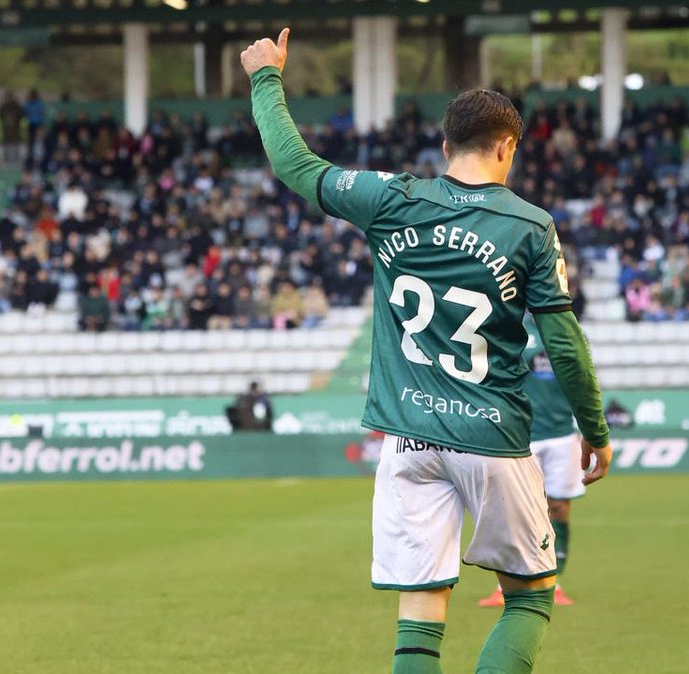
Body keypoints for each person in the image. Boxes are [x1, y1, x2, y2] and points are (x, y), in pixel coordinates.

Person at [243, 29, 611, 674]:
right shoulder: (529, 224)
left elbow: (295, 167)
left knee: (420, 606)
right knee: (530, 596)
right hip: (492, 437)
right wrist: (595, 429)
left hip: (407, 440)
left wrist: (267, 78)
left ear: (445, 148)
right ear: (508, 147)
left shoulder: (391, 198)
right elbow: (564, 342)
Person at [479, 318, 585, 609]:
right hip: (522, 435)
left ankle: (555, 581)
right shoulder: (513, 328)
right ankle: (507, 585)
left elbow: (581, 378)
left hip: (563, 435)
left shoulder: (566, 330)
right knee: (515, 509)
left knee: (560, 508)